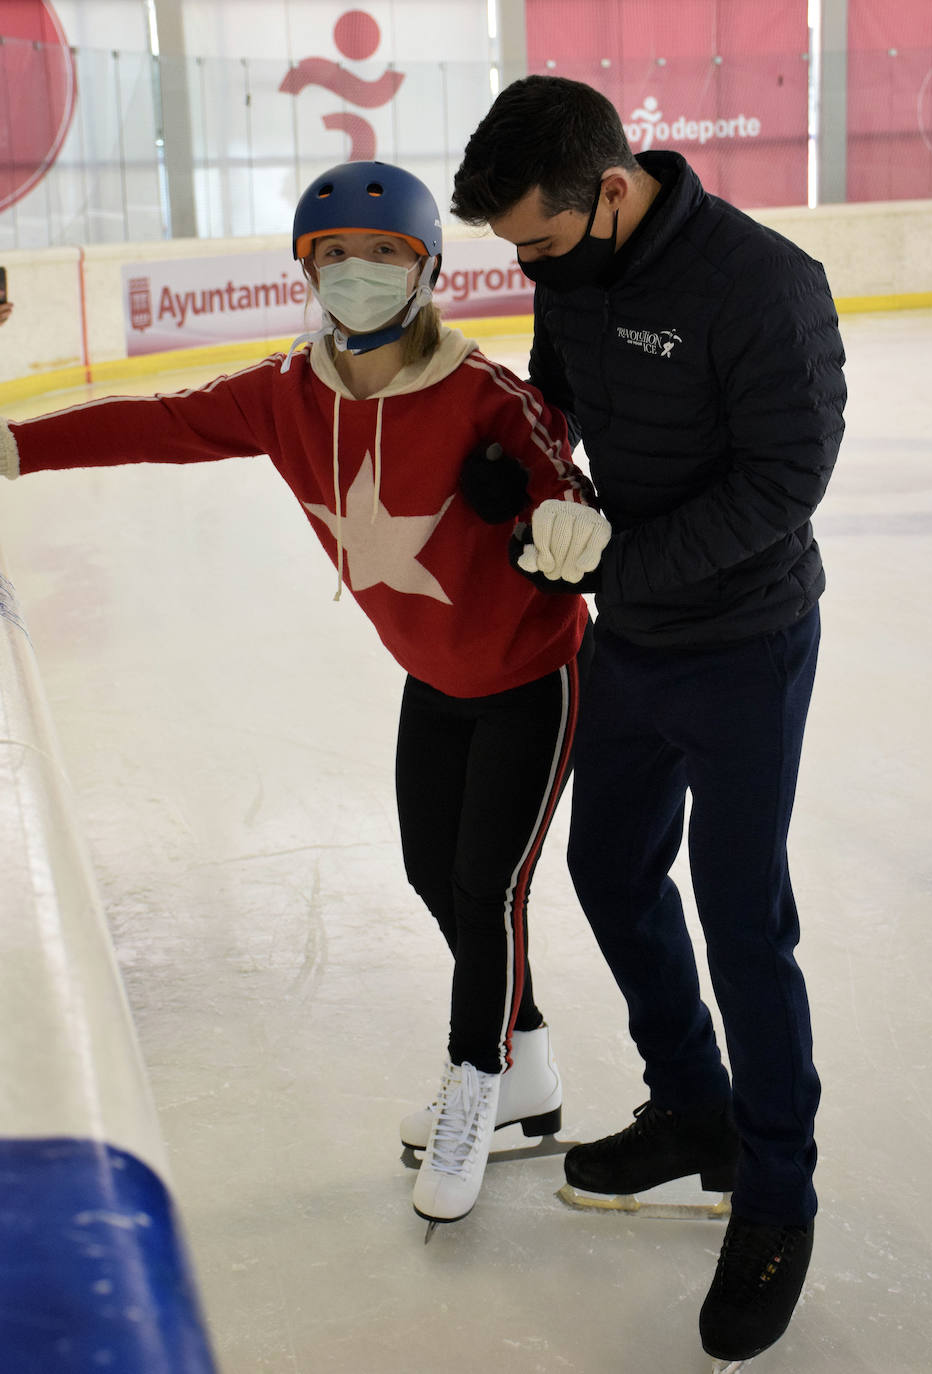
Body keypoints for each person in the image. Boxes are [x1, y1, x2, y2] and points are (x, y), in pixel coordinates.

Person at [0, 160, 598, 1236]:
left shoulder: (483, 394)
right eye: (334, 258)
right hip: (432, 678)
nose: (356, 275)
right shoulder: (286, 397)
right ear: (305, 271)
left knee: (484, 890)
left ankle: (476, 1082)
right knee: (432, 876)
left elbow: (563, 483)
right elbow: (160, 423)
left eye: (384, 256)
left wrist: (564, 524)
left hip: (528, 677)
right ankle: (529, 1063)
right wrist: (15, 447)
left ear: (425, 271)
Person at [451, 75, 847, 1366]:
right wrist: (527, 476)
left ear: (610, 188)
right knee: (610, 866)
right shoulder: (568, 263)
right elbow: (563, 404)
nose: (529, 266)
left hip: (744, 642)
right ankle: (695, 1111)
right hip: (634, 637)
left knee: (743, 915)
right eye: (516, 250)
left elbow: (784, 483)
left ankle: (776, 1194)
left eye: (542, 241)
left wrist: (614, 558)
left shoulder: (765, 286)